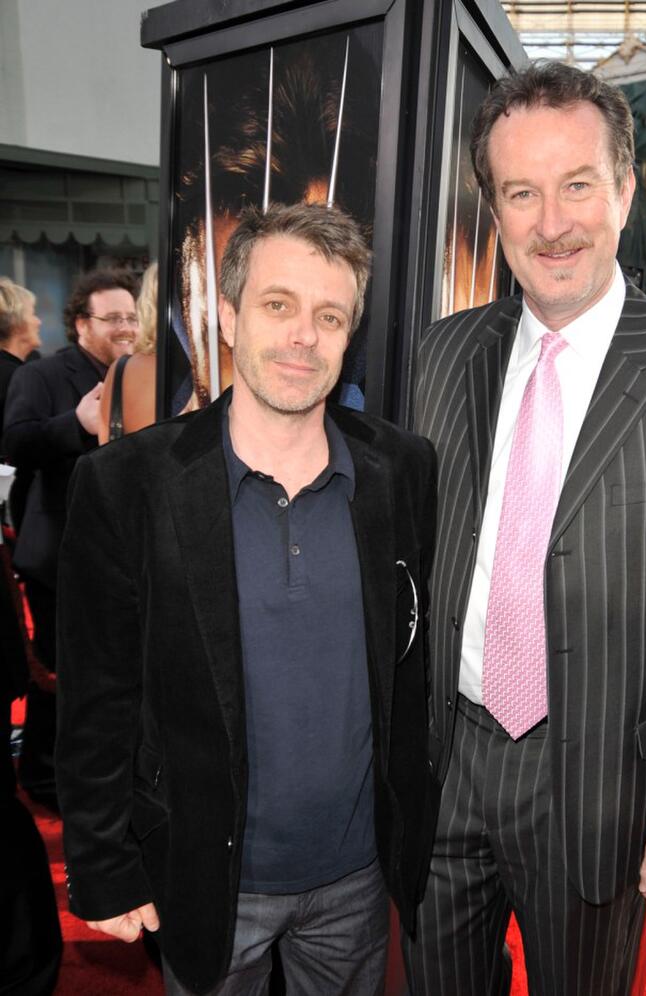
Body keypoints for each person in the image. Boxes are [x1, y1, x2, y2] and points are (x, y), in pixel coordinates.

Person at [405, 61, 646, 996]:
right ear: (494, 214)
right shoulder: (446, 351)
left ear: (625, 191)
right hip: (446, 762)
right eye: (521, 193)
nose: (552, 222)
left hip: (606, 792)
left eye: (576, 184)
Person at [56, 202, 439, 996]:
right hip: (201, 873)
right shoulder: (127, 483)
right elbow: (97, 698)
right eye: (278, 305)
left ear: (348, 335)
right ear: (227, 317)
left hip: (356, 880)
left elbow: (414, 665)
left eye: (329, 315)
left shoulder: (403, 470)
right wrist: (103, 863)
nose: (304, 335)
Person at [2, 269, 138, 810]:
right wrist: (76, 423)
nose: (126, 327)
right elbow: (14, 442)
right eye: (113, 318)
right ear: (82, 324)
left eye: (132, 316)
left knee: (106, 677)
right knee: (59, 677)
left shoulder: (140, 373)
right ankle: (43, 778)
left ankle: (95, 780)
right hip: (56, 555)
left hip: (118, 554)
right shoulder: (43, 375)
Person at [99, 261, 159, 443]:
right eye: (113, 319)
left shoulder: (125, 371)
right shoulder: (225, 366)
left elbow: (107, 452)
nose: (124, 327)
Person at [0, 277, 42, 433]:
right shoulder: (10, 376)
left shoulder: (32, 362)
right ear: (15, 324)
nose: (39, 321)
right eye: (33, 313)